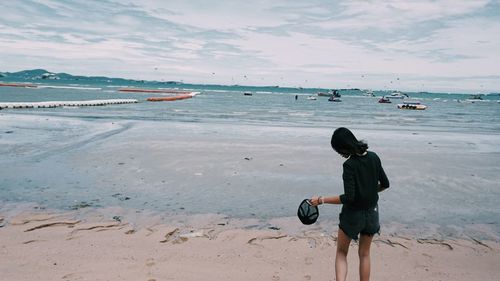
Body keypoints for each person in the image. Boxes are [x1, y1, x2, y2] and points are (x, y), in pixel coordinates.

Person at [310, 127, 389, 281]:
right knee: (365, 254)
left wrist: (321, 200)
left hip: (353, 215)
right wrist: (369, 192)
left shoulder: (350, 165)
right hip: (372, 212)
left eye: (339, 151)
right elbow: (385, 184)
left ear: (343, 148)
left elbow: (349, 198)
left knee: (341, 253)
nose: (340, 154)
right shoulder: (374, 157)